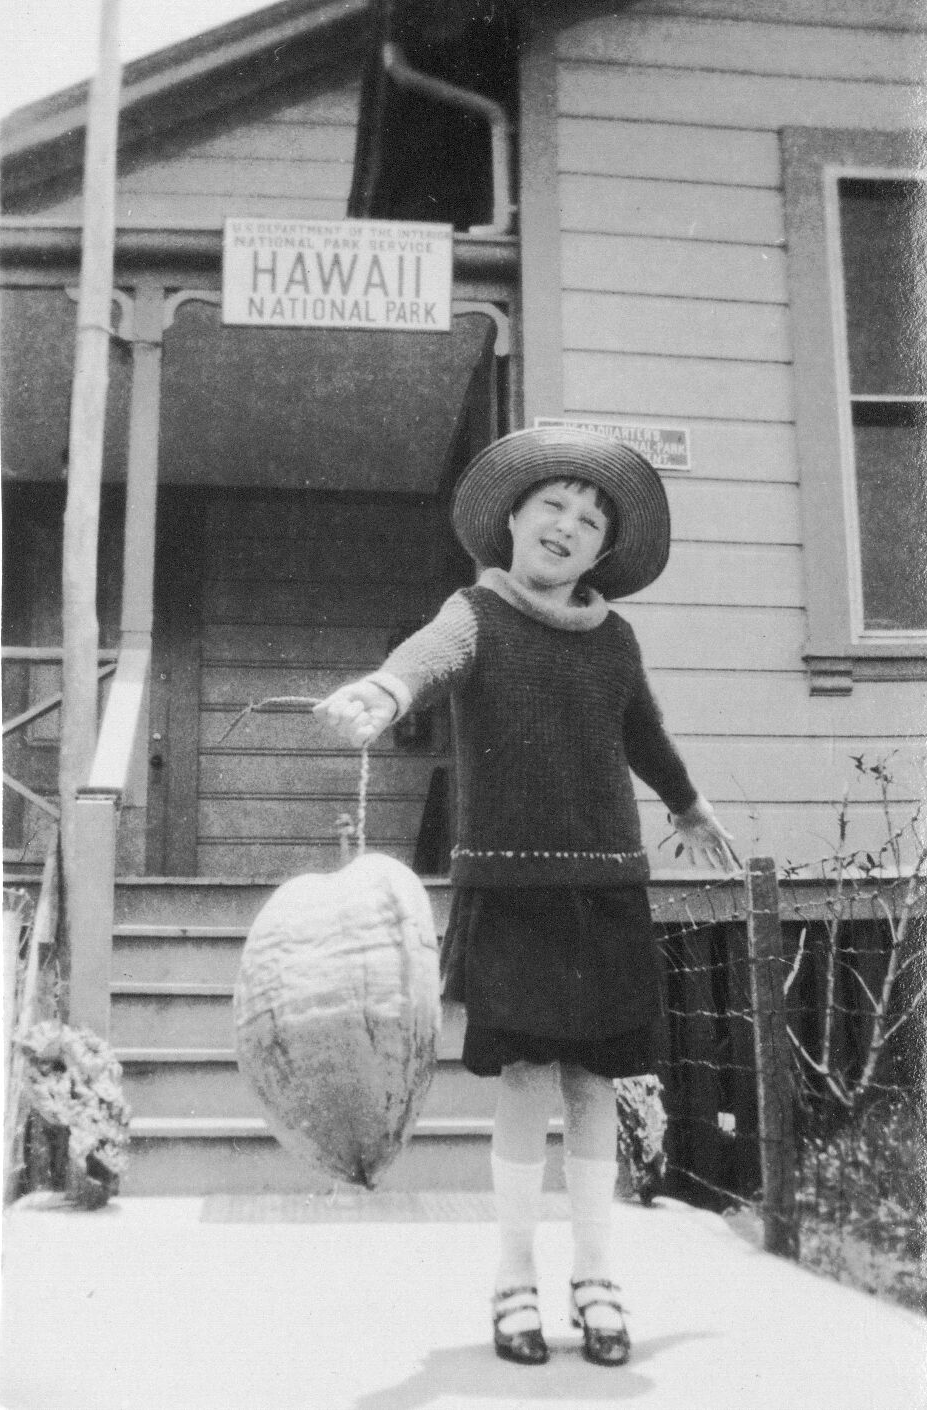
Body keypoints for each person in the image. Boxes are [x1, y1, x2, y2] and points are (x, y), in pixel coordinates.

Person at [315, 426, 737, 1368]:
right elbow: (423, 659)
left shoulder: (613, 639)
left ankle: (596, 1277)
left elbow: (644, 733)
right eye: (552, 504)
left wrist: (686, 802)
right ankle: (512, 1279)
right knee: (523, 1082)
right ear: (511, 517)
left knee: (594, 1082)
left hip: (604, 887)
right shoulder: (475, 612)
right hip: (512, 887)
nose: (568, 526)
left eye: (590, 520)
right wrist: (381, 695)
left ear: (602, 552)